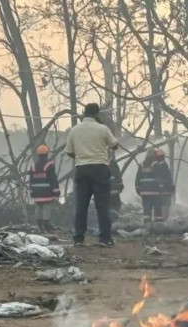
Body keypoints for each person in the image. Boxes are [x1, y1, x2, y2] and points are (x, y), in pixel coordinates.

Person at [65, 103, 119, 246]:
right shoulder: (102, 128)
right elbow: (114, 144)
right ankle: (105, 239)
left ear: (84, 112)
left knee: (81, 205)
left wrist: (82, 155)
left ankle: (78, 238)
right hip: (100, 169)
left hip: (81, 169)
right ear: (97, 114)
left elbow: (69, 152)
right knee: (102, 205)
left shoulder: (74, 130)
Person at [28, 144, 60, 232]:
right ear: (46, 154)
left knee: (38, 210)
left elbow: (31, 181)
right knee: (46, 211)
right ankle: (48, 227)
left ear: (38, 155)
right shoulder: (50, 165)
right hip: (47, 194)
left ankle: (40, 227)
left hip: (37, 194)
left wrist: (31, 192)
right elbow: (53, 180)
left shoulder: (33, 166)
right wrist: (56, 191)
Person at [152, 149, 175, 221]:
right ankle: (163, 220)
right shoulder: (163, 165)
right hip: (165, 189)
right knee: (166, 205)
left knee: (164, 205)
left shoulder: (158, 166)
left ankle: (162, 219)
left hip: (163, 189)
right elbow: (167, 177)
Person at [109, 151, 124, 222]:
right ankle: (114, 222)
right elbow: (117, 176)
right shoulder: (112, 164)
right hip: (114, 191)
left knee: (109, 208)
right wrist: (120, 186)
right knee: (115, 206)